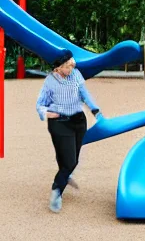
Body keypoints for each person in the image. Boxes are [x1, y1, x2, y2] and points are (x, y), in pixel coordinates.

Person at [36, 50, 102, 213]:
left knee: (71, 158)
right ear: (58, 68)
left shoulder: (76, 74)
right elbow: (40, 104)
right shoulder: (50, 81)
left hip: (78, 121)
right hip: (59, 122)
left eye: (71, 66)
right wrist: (46, 113)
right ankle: (57, 190)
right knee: (70, 160)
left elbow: (84, 93)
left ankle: (65, 174)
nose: (70, 69)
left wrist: (95, 110)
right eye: (67, 67)